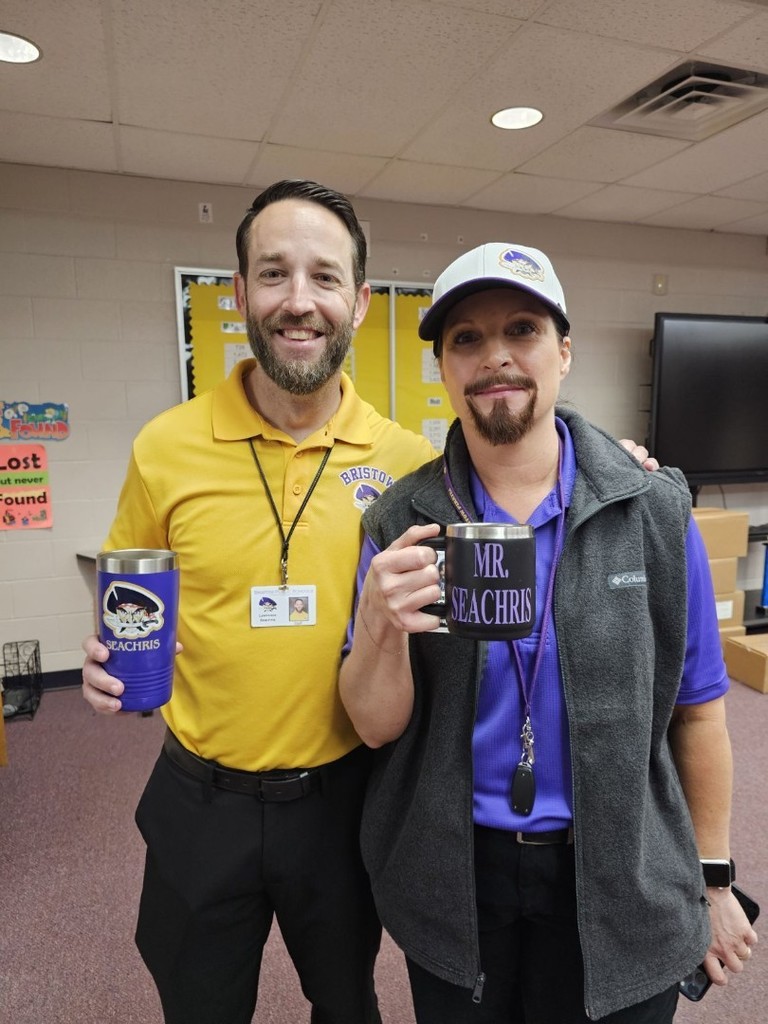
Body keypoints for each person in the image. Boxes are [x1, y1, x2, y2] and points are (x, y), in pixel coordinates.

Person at [339, 242, 758, 1023]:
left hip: (619, 869)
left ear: (564, 352)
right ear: (443, 368)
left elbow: (699, 713)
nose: (495, 357)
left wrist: (713, 877)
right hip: (456, 875)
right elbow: (372, 727)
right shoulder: (399, 521)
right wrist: (377, 626)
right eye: (466, 338)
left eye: (523, 329)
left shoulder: (653, 511)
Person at [80, 179, 436, 1024]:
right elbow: (133, 594)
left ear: (361, 300)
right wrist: (104, 661)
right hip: (199, 799)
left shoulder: (409, 462)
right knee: (198, 1006)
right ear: (238, 293)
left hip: (343, 799)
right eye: (273, 274)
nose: (299, 302)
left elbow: (519, 483)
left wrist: (619, 461)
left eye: (325, 277)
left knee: (348, 1001)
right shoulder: (165, 446)